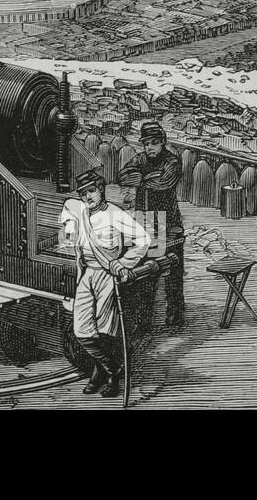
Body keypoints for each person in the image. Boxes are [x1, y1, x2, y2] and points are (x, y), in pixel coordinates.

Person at [59, 170, 152, 397]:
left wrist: (123, 263)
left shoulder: (114, 214)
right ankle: (115, 369)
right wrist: (68, 231)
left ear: (101, 189)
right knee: (82, 331)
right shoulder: (78, 211)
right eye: (83, 193)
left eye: (92, 190)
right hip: (87, 274)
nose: (88, 197)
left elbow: (143, 240)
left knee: (104, 332)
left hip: (106, 275)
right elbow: (67, 210)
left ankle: (103, 377)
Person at [116, 122, 185, 327]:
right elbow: (123, 176)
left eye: (154, 143)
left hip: (168, 223)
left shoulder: (172, 161)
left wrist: (142, 179)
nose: (150, 148)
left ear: (162, 142)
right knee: (145, 272)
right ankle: (143, 318)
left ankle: (176, 314)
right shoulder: (141, 158)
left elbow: (164, 182)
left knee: (173, 272)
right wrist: (148, 178)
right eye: (146, 144)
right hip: (144, 221)